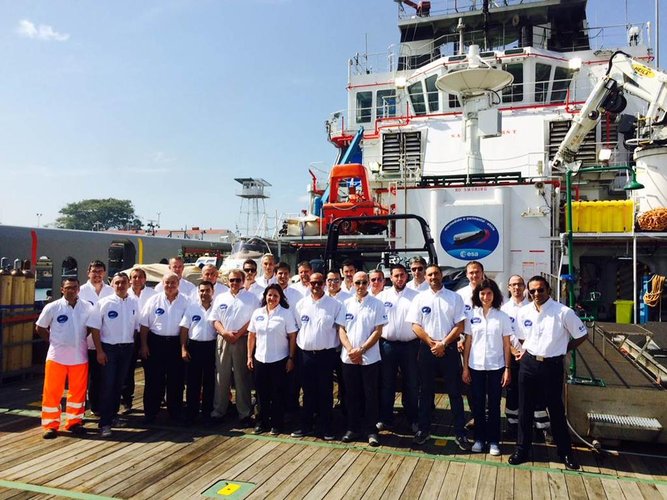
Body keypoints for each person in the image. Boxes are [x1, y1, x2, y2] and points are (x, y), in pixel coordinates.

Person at [508, 276, 588, 470]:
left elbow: (582, 334)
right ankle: (522, 449)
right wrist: (520, 351)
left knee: (556, 409)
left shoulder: (563, 312)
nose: (536, 294)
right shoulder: (524, 312)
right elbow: (519, 336)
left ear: (549, 290)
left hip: (551, 366)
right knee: (524, 408)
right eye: (533, 291)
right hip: (528, 364)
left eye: (540, 290)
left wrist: (562, 348)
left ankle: (565, 453)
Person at [408, 265, 468, 448]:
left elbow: (460, 325)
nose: (433, 277)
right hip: (427, 350)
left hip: (448, 350)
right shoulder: (419, 298)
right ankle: (424, 430)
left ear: (441, 276)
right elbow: (415, 325)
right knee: (425, 393)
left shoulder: (454, 298)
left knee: (455, 393)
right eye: (430, 274)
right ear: (425, 278)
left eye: (436, 274)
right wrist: (432, 342)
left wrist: (443, 343)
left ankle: (460, 433)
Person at [36, 278, 93, 439]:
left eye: (74, 287)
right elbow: (40, 327)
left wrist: (78, 339)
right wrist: (54, 341)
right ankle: (50, 425)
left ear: (78, 289)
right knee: (52, 392)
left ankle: (74, 421)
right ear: (62, 289)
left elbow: (90, 327)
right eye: (68, 288)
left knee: (78, 392)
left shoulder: (87, 307)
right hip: (57, 357)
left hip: (79, 356)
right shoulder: (52, 307)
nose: (72, 290)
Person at [291, 273, 345, 440]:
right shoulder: (301, 304)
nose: (315, 286)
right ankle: (306, 425)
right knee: (307, 391)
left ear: (324, 284)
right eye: (312, 283)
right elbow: (298, 328)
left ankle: (326, 427)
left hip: (326, 355)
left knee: (325, 391)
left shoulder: (335, 305)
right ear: (308, 284)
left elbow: (340, 329)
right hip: (306, 354)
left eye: (319, 283)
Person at [462, 279, 512, 456]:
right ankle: (479, 439)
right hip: (475, 367)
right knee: (477, 405)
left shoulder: (502, 317)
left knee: (494, 405)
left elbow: (507, 345)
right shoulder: (471, 316)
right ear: (478, 295)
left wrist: (507, 368)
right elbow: (468, 342)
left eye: (489, 293)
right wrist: (465, 368)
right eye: (482, 293)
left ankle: (494, 441)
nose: (485, 296)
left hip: (496, 366)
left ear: (495, 295)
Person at [88, 272, 139, 437]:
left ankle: (114, 416)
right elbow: (94, 329)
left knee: (119, 384)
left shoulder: (134, 302)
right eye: (117, 283)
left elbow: (136, 327)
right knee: (107, 385)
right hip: (109, 348)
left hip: (127, 348)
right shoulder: (103, 303)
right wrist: (99, 351)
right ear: (112, 285)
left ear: (128, 284)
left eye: (123, 282)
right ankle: (104, 423)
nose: (120, 285)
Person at [339, 271, 387, 446]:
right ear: (352, 282)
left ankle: (371, 430)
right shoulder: (345, 304)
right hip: (348, 358)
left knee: (370, 395)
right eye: (357, 282)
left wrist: (362, 349)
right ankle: (353, 428)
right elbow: (341, 330)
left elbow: (378, 331)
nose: (360, 286)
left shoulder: (377, 304)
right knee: (351, 395)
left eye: (363, 282)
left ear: (368, 283)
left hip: (370, 358)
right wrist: (352, 350)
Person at [139, 272, 190, 424]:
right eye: (167, 283)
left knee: (176, 380)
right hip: (156, 343)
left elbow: (185, 327)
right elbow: (144, 325)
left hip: (176, 343)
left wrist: (183, 347)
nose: (170, 286)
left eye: (173, 282)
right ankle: (150, 412)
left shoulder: (186, 301)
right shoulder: (153, 300)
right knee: (154, 380)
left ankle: (175, 412)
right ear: (162, 284)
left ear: (178, 284)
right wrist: (144, 345)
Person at [210, 269, 259, 425]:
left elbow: (253, 320)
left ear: (243, 281)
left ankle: (244, 413)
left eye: (238, 280)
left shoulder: (252, 298)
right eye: (232, 280)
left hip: (242, 339)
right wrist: (224, 333)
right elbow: (214, 319)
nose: (234, 283)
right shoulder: (220, 298)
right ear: (227, 281)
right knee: (221, 376)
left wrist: (237, 335)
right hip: (223, 339)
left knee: (241, 377)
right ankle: (219, 411)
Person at [247, 284, 298, 435]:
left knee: (277, 393)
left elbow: (292, 337)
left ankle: (277, 423)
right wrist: (249, 356)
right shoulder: (257, 313)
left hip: (279, 359)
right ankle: (261, 422)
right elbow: (251, 335)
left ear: (280, 298)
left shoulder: (286, 314)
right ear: (265, 296)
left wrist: (291, 358)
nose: (272, 298)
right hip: (260, 359)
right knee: (261, 393)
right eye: (270, 295)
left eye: (276, 296)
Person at [500, 274, 545, 438]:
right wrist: (513, 350)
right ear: (508, 288)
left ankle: (540, 427)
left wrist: (527, 350)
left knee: (536, 389)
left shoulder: (535, 307)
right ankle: (513, 425)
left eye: (519, 284)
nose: (516, 288)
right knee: (513, 391)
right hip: (512, 356)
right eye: (513, 285)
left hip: (531, 355)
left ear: (524, 287)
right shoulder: (503, 309)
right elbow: (503, 335)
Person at [376, 264, 419, 432]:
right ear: (391, 278)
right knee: (387, 383)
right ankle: (386, 418)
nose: (399, 279)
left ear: (406, 277)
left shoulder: (416, 297)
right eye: (396, 276)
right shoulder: (382, 296)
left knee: (412, 384)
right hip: (387, 346)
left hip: (410, 346)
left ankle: (413, 419)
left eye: (402, 275)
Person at [79, 260, 114, 416]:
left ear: (104, 273)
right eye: (94, 271)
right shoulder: (80, 291)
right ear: (88, 273)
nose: (97, 274)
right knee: (82, 378)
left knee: (100, 376)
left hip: (104, 341)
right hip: (84, 342)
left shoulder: (111, 291)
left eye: (100, 271)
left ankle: (97, 406)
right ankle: (79, 408)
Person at [180, 280, 217, 424]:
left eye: (207, 290)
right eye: (202, 291)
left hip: (211, 347)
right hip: (194, 347)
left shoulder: (217, 308)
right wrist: (183, 348)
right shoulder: (192, 308)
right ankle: (191, 413)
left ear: (212, 292)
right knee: (193, 382)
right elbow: (184, 329)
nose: (204, 293)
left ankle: (207, 413)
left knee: (209, 382)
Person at [121, 267, 156, 413]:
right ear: (130, 280)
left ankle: (154, 399)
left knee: (151, 369)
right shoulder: (124, 294)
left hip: (148, 334)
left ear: (145, 279)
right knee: (128, 369)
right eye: (134, 277)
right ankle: (127, 400)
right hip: (130, 335)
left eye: (140, 277)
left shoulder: (153, 294)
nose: (137, 280)